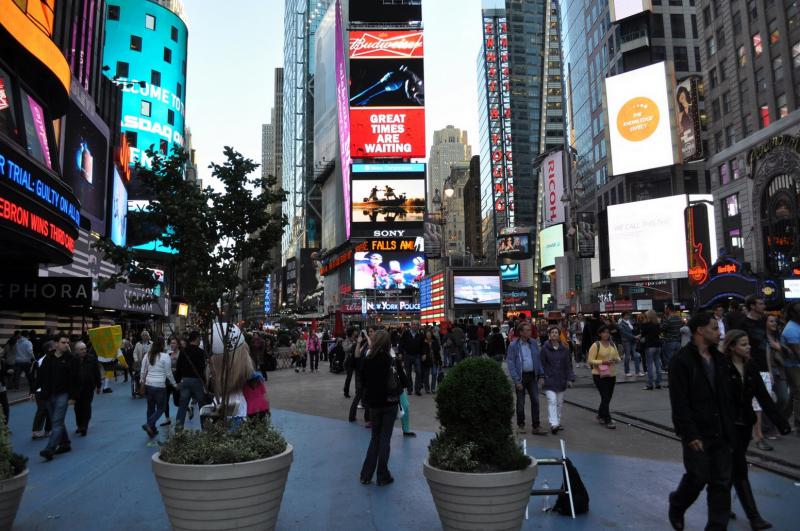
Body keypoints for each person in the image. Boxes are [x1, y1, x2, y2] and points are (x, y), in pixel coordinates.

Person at [667, 312, 734, 531]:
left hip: (721, 430)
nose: (719, 333)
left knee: (722, 482)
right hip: (697, 431)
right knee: (697, 477)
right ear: (700, 331)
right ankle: (677, 504)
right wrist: (689, 433)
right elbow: (679, 401)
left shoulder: (721, 359)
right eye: (714, 328)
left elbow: (728, 394)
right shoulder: (681, 361)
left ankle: (717, 526)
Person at [721, 330, 790, 530]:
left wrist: (781, 422)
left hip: (744, 426)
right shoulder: (722, 367)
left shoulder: (750, 366)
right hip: (727, 427)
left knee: (731, 468)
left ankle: (722, 507)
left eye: (748, 343)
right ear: (731, 347)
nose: (748, 347)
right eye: (743, 344)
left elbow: (762, 396)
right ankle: (753, 517)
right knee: (738, 469)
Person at [359, 330, 402, 486]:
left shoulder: (368, 359)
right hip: (389, 403)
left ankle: (366, 475)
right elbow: (403, 381)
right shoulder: (391, 360)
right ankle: (382, 475)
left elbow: (362, 381)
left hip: (374, 404)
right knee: (385, 439)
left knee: (374, 439)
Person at [36, 334, 78, 461]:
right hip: (48, 394)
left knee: (57, 422)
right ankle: (65, 443)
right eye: (63, 342)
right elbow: (41, 376)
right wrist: (36, 390)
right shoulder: (48, 358)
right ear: (55, 344)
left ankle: (50, 448)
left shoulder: (72, 359)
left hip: (63, 394)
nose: (66, 344)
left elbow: (75, 379)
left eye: (67, 342)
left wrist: (73, 397)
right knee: (57, 420)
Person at [739, 296, 772, 449]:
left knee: (766, 401)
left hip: (764, 366)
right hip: (752, 367)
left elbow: (765, 345)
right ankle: (758, 436)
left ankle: (758, 432)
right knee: (756, 404)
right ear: (752, 306)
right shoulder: (744, 323)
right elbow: (743, 347)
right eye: (760, 303)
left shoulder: (763, 321)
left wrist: (770, 369)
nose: (763, 305)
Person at [506, 322, 548, 435]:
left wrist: (541, 375)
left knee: (535, 400)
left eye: (530, 330)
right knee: (520, 402)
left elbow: (538, 360)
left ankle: (536, 426)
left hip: (532, 376)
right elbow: (511, 363)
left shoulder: (533, 343)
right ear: (520, 332)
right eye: (527, 330)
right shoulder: (513, 345)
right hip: (521, 377)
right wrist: (516, 380)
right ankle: (521, 424)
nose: (530, 332)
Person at [541, 325, 575, 434]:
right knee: (552, 401)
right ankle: (553, 423)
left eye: (556, 332)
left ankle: (558, 421)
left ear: (559, 335)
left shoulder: (564, 349)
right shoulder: (544, 349)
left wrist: (570, 378)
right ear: (549, 335)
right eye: (552, 333)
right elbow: (541, 364)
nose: (554, 334)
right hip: (549, 379)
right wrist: (541, 376)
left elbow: (568, 365)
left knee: (559, 403)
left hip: (561, 379)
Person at [140, 336, 176, 438]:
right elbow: (168, 374)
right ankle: (149, 424)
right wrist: (174, 384)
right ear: (162, 346)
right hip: (160, 385)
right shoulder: (165, 356)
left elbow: (143, 371)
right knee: (161, 407)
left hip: (148, 384)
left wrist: (142, 382)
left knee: (150, 408)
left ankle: (152, 429)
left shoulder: (147, 355)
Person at [587, 325, 621, 429]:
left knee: (607, 397)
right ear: (600, 334)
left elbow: (618, 357)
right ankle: (607, 419)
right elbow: (590, 360)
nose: (606, 334)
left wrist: (616, 360)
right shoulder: (595, 345)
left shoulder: (612, 344)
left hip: (611, 373)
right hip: (599, 374)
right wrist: (603, 362)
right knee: (605, 396)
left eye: (608, 332)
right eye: (604, 332)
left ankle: (600, 415)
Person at [175, 331, 209, 431]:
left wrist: (177, 381)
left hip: (185, 380)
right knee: (202, 405)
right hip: (197, 381)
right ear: (197, 338)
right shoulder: (200, 352)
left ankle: (178, 427)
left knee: (183, 405)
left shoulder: (183, 351)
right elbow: (202, 368)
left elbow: (178, 367)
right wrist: (204, 382)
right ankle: (205, 427)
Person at [73, 341, 101, 436]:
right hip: (76, 388)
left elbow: (97, 372)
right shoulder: (73, 360)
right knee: (77, 408)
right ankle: (79, 425)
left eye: (85, 348)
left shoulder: (92, 359)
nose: (84, 351)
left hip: (88, 387)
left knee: (86, 406)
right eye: (81, 349)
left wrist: (98, 385)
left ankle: (84, 426)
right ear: (76, 351)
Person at [780, 302, 800, 433]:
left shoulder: (797, 325)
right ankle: (799, 424)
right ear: (794, 314)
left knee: (794, 394)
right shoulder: (791, 329)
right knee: (799, 393)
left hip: (796, 364)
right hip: (793, 366)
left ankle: (781, 419)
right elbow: (798, 353)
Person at [349, 328, 373, 424]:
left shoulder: (372, 343)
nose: (370, 333)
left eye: (371, 331)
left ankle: (367, 418)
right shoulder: (365, 343)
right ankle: (354, 416)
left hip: (368, 373)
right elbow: (357, 355)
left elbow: (372, 348)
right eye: (369, 332)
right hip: (362, 372)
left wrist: (366, 337)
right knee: (360, 394)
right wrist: (359, 343)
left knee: (365, 395)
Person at [30, 341, 52, 439]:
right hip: (41, 390)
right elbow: (36, 377)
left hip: (51, 389)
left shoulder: (54, 359)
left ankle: (48, 430)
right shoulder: (41, 361)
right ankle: (36, 430)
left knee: (50, 410)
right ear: (49, 349)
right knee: (42, 409)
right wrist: (33, 391)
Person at [160, 337, 181, 427]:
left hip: (176, 380)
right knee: (165, 400)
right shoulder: (168, 354)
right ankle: (167, 418)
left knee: (176, 402)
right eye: (171, 343)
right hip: (167, 381)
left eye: (174, 343)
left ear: (178, 344)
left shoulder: (181, 355)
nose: (172, 345)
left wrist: (175, 369)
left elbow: (183, 368)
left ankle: (186, 408)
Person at [399, 322, 424, 396]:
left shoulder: (421, 335)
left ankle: (417, 389)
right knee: (408, 373)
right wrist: (400, 353)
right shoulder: (406, 333)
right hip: (407, 355)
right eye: (413, 325)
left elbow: (422, 346)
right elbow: (401, 343)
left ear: (418, 326)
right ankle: (410, 389)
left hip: (417, 355)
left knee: (419, 372)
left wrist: (423, 354)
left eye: (416, 325)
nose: (415, 326)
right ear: (411, 326)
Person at [642, 309, 664, 390]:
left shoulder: (646, 324)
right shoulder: (657, 324)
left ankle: (650, 384)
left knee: (650, 365)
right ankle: (658, 383)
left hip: (649, 346)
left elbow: (643, 334)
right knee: (658, 364)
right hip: (657, 345)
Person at [618, 312, 641, 377]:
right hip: (626, 341)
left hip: (633, 341)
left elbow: (634, 330)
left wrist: (636, 336)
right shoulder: (621, 324)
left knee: (636, 356)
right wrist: (634, 337)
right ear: (623, 316)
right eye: (627, 315)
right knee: (627, 357)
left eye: (628, 315)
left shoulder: (630, 322)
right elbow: (624, 333)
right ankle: (627, 371)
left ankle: (638, 371)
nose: (628, 316)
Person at [661, 304, 684, 369]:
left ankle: (672, 375)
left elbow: (662, 328)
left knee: (670, 361)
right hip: (678, 342)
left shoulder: (668, 318)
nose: (665, 310)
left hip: (669, 342)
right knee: (677, 360)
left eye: (665, 309)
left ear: (668, 309)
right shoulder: (679, 318)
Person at [422, 329, 441, 394]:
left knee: (434, 373)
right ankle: (427, 388)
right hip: (427, 361)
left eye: (429, 335)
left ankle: (433, 388)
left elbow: (438, 351)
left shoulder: (434, 342)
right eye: (427, 335)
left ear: (431, 335)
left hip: (434, 360)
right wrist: (424, 354)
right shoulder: (423, 342)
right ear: (426, 335)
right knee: (426, 375)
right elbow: (422, 350)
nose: (428, 336)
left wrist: (440, 360)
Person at [343, 328, 358, 398]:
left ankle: (357, 392)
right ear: (352, 332)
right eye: (355, 331)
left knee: (358, 377)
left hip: (357, 360)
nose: (356, 332)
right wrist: (353, 344)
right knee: (349, 377)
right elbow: (345, 349)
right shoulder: (346, 340)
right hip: (349, 361)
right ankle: (346, 391)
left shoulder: (356, 339)